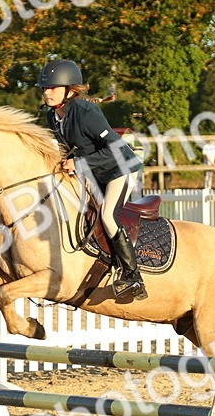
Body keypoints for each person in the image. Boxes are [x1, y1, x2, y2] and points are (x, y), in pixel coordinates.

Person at [37, 59, 147, 300]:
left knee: (108, 216)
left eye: (52, 87)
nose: (46, 92)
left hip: (120, 169)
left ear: (69, 90)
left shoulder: (87, 112)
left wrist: (78, 164)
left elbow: (115, 148)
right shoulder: (52, 116)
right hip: (94, 171)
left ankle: (133, 276)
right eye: (45, 88)